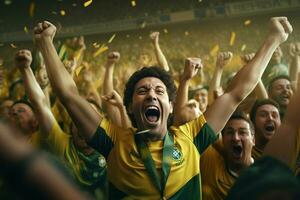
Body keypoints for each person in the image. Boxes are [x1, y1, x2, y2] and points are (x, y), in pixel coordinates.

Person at [34, 16, 293, 199]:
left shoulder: (192, 136)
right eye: (142, 91)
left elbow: (235, 93)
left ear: (170, 106)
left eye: (159, 91)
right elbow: (69, 95)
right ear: (131, 108)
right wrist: (46, 43)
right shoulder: (112, 140)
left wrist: (272, 40)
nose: (151, 96)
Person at [15, 49, 108, 199]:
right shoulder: (62, 143)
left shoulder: (111, 145)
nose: (84, 126)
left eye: (90, 119)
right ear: (70, 125)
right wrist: (25, 69)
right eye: (79, 120)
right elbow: (40, 105)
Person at [201, 111, 255, 200]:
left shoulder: (264, 177)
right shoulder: (210, 161)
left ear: (253, 140)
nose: (236, 138)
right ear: (222, 139)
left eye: (242, 132)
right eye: (230, 132)